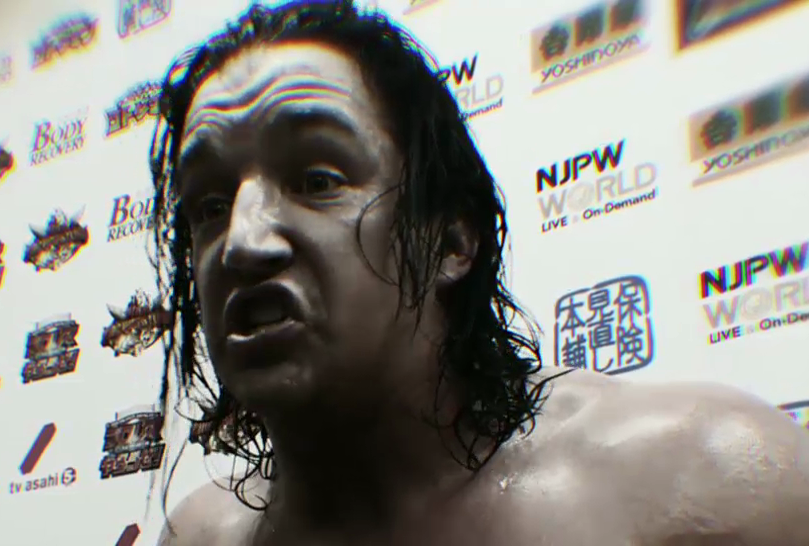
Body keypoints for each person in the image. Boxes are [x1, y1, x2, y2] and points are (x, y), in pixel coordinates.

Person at [146, 1, 809, 544]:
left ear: (451, 240)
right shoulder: (199, 537)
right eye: (209, 206)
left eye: (318, 180)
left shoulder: (699, 481)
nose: (242, 242)